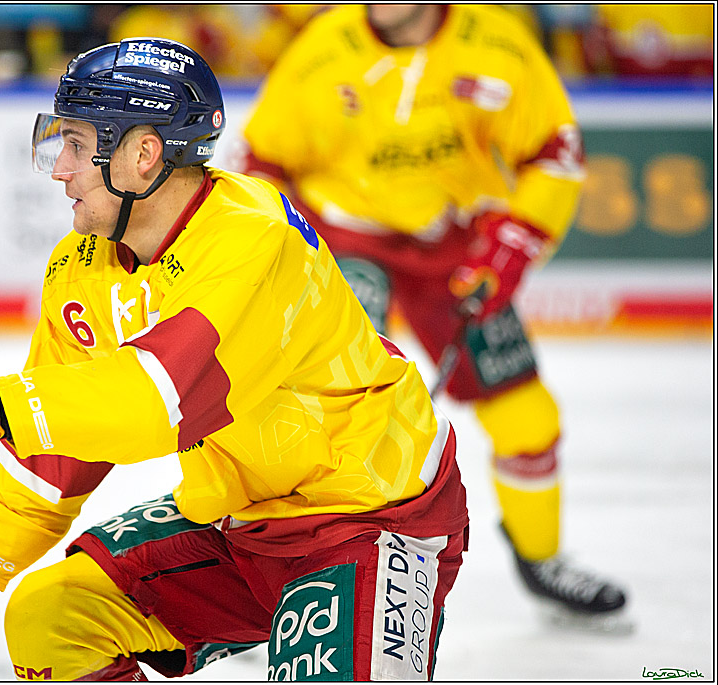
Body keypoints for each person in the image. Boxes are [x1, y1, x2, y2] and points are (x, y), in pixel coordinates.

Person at [0, 37, 469, 681]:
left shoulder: (254, 236)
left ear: (143, 154)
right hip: (238, 521)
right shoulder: (79, 267)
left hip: (367, 517)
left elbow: (163, 400)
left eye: (76, 143)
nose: (59, 167)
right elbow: (56, 455)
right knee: (51, 617)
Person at [236, 4, 627, 625]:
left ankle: (543, 558)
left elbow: (554, 150)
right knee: (321, 416)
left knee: (527, 418)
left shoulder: (497, 44)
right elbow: (260, 165)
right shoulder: (321, 50)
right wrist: (288, 253)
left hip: (457, 246)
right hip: (346, 241)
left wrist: (517, 237)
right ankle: (271, 575)